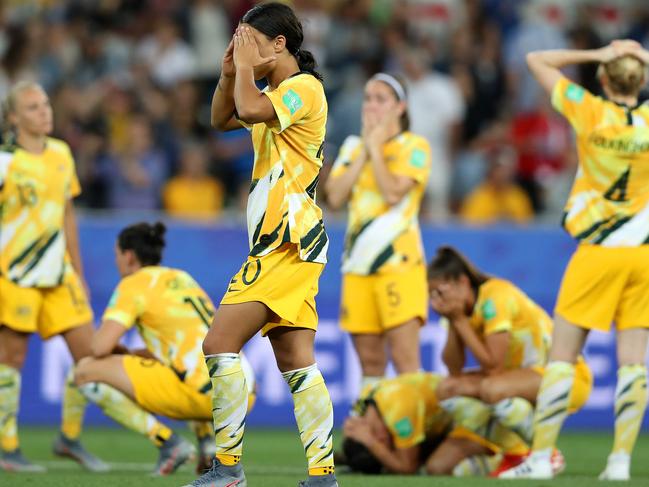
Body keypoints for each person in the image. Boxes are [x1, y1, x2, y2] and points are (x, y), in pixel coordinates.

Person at [186, 3, 336, 486]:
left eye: (249, 38)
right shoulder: (275, 93)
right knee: (296, 361)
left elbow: (248, 109)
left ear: (279, 44)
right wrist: (229, 71)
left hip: (286, 243)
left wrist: (245, 70)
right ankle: (322, 475)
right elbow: (222, 116)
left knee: (219, 343)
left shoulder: (303, 90)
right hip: (289, 244)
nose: (241, 46)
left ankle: (227, 469)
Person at [499, 40, 649, 481]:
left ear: (604, 79)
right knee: (634, 361)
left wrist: (598, 53)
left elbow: (534, 60)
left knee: (562, 356)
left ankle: (542, 458)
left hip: (597, 251)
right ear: (640, 82)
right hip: (641, 253)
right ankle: (620, 462)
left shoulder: (589, 111)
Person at [74, 222, 256, 475]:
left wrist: (107, 346)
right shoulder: (181, 277)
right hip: (242, 391)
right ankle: (207, 445)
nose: (116, 261)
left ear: (128, 256)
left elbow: (99, 347)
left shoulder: (134, 284)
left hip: (201, 394)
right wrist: (134, 355)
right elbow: (190, 342)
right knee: (189, 366)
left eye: (116, 254)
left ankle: (168, 443)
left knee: (85, 370)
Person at [0, 81, 106, 472]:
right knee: (10, 358)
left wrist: (78, 271)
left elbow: (67, 216)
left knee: (91, 356)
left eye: (45, 104)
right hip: (15, 274)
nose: (44, 112)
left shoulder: (61, 152)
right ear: (13, 118)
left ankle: (70, 437)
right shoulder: (4, 161)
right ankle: (8, 448)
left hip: (59, 274)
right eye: (32, 107)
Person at [427, 246, 592, 459]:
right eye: (431, 294)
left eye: (440, 292)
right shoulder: (460, 312)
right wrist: (454, 321)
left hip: (566, 378)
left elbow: (494, 367)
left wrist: (459, 321)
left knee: (492, 388)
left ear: (463, 282)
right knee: (447, 389)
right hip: (520, 379)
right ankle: (517, 452)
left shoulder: (496, 297)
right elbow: (453, 368)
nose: (436, 300)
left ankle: (544, 453)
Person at [325, 73, 432, 393]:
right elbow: (334, 195)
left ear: (400, 107)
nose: (371, 105)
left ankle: (413, 438)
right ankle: (371, 440)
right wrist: (365, 150)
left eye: (380, 99)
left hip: (399, 264)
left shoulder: (414, 146)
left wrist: (375, 146)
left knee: (404, 359)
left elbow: (394, 193)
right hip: (358, 264)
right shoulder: (352, 147)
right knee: (369, 361)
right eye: (368, 98)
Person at [341, 372, 530, 476]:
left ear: (380, 439)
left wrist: (374, 446)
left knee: (437, 468)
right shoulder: (365, 405)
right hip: (446, 423)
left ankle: (511, 457)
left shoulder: (399, 411)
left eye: (384, 446)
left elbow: (407, 468)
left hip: (473, 417)